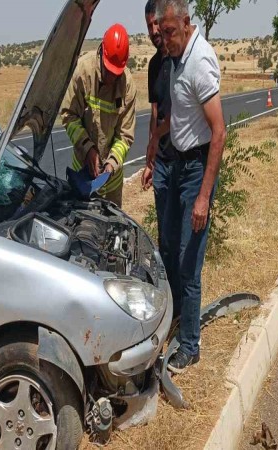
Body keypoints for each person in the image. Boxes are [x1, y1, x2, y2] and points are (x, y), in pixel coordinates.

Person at [150, 0, 227, 373]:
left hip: (196, 171)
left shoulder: (199, 62)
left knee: (187, 262)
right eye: (161, 33)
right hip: (177, 166)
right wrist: (152, 153)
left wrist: (203, 197)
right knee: (168, 250)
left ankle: (191, 345)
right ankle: (178, 322)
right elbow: (175, 118)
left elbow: (219, 132)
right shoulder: (177, 57)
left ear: (186, 22)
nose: (164, 40)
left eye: (169, 32)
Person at [60, 23, 137, 207]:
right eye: (109, 71)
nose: (112, 78)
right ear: (101, 52)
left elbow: (125, 136)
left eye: (116, 74)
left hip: (112, 182)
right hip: (82, 175)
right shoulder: (83, 72)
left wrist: (110, 165)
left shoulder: (127, 85)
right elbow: (68, 116)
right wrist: (88, 149)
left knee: (113, 230)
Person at [142, 0, 180, 316]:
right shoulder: (155, 65)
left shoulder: (181, 59)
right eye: (149, 27)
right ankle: (169, 304)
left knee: (181, 239)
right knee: (164, 238)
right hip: (164, 162)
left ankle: (182, 303)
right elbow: (155, 113)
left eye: (157, 25)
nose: (154, 32)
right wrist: (149, 159)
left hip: (185, 161)